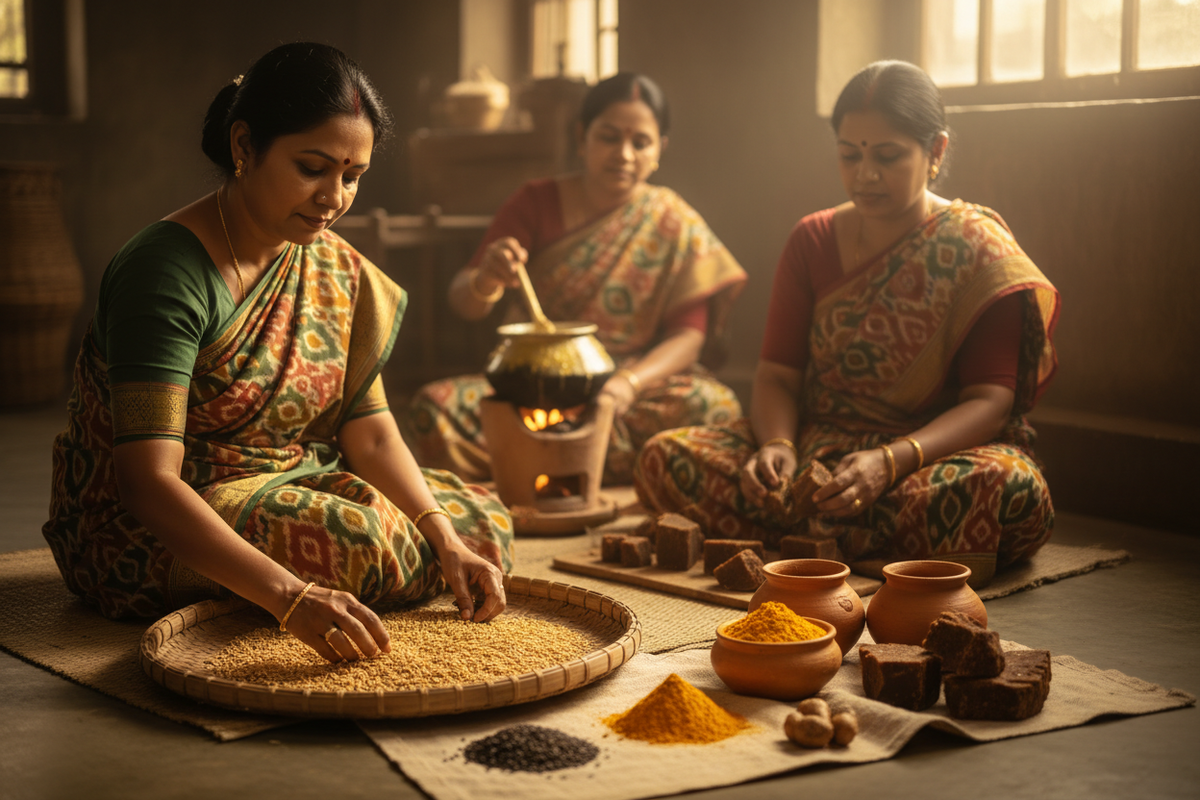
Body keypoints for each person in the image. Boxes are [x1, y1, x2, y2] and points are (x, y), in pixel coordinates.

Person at [42, 43, 513, 664]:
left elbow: (369, 435)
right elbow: (147, 483)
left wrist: (444, 537)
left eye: (352, 177)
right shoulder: (166, 271)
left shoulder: (334, 265)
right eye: (312, 167)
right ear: (244, 148)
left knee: (477, 518)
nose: (334, 197)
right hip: (152, 523)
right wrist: (291, 598)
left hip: (289, 482)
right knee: (364, 541)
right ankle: (273, 584)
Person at [633, 61, 1060, 587]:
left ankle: (807, 535)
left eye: (887, 156)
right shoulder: (811, 239)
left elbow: (990, 401)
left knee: (1012, 490)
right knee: (662, 458)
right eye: (849, 154)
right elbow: (776, 375)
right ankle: (860, 542)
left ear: (937, 152)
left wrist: (889, 462)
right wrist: (777, 448)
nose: (865, 175)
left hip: (924, 459)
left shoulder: (976, 248)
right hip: (818, 446)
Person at [402, 72, 748, 485]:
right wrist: (487, 279)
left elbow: (689, 337)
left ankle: (539, 460)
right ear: (582, 137)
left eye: (640, 142)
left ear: (660, 150)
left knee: (716, 406)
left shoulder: (673, 219)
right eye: (608, 137)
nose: (623, 154)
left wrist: (625, 384)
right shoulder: (536, 201)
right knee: (433, 410)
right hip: (534, 382)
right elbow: (465, 301)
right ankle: (598, 461)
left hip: (625, 390)